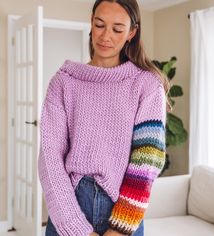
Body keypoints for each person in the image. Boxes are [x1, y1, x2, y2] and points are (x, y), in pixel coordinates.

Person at [38, 0, 169, 235]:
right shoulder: (64, 82)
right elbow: (50, 156)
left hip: (123, 209)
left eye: (117, 29)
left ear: (132, 32)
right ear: (91, 22)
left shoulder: (146, 85)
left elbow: (148, 159)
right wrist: (74, 226)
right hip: (69, 205)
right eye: (100, 25)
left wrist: (120, 227)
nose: (106, 36)